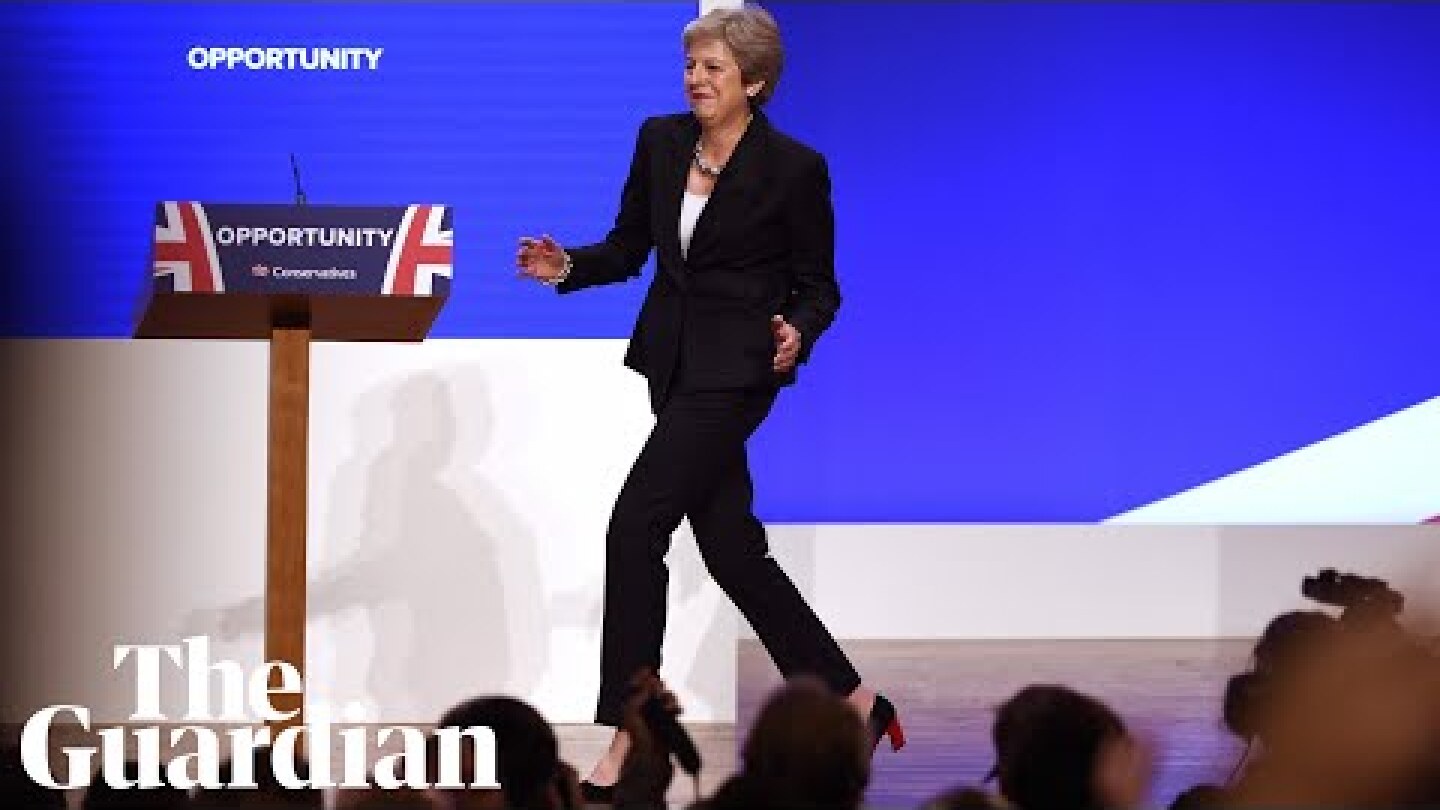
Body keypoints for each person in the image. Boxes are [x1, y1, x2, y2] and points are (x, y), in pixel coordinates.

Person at [515, 4, 902, 802]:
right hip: (672, 364)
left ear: (753, 82)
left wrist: (798, 328)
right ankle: (856, 700)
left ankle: (630, 732)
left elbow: (820, 285)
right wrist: (565, 267)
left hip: (736, 375)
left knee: (635, 525)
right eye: (691, 64)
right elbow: (629, 248)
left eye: (714, 67)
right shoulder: (660, 141)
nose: (695, 77)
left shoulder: (795, 168)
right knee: (731, 550)